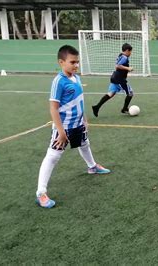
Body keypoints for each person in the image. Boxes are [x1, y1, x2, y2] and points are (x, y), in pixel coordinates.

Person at [36, 45, 110, 209]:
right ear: (61, 62)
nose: (76, 65)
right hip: (64, 127)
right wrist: (61, 131)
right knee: (53, 156)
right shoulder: (58, 81)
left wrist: (84, 118)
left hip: (78, 124)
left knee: (84, 144)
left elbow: (79, 99)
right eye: (72, 62)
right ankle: (41, 192)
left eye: (77, 62)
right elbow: (53, 108)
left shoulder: (75, 78)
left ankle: (92, 167)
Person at [92, 43, 134, 117]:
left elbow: (117, 66)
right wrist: (128, 68)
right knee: (130, 93)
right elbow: (117, 66)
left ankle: (97, 107)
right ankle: (124, 109)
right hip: (119, 79)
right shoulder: (124, 57)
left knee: (111, 93)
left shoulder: (120, 55)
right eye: (130, 51)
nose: (131, 53)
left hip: (115, 77)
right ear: (127, 50)